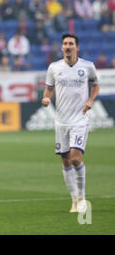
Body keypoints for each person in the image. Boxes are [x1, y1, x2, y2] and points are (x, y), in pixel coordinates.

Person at [42, 34, 100, 213]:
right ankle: (74, 199)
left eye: (71, 44)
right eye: (65, 44)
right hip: (61, 121)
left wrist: (90, 100)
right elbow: (49, 88)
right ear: (61, 47)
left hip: (79, 119)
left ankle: (82, 197)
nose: (68, 46)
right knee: (66, 161)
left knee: (75, 158)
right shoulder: (54, 67)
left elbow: (95, 85)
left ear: (77, 47)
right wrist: (46, 97)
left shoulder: (88, 67)